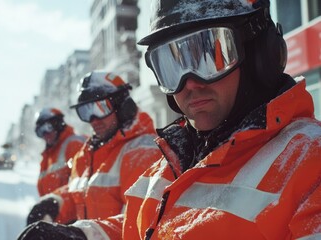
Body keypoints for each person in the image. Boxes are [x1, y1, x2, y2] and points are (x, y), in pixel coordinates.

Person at [115, 0, 320, 239]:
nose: (190, 83)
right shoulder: (173, 161)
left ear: (260, 54)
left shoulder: (310, 164)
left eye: (209, 56)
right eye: (172, 65)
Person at [18, 71, 163, 239]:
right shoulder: (88, 152)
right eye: (85, 111)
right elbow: (80, 194)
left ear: (123, 106)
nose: (93, 119)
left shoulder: (142, 151)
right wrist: (55, 203)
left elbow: (141, 223)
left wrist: (84, 234)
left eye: (100, 108)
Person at [33, 108, 86, 197]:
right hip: (54, 208)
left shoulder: (74, 145)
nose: (45, 134)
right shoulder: (48, 155)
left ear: (58, 125)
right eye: (40, 131)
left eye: (48, 128)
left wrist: (56, 201)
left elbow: (81, 185)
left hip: (68, 209)